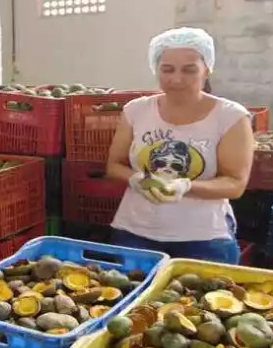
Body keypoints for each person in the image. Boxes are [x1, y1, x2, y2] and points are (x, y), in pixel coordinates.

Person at [106, 27, 253, 265]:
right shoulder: (136, 110)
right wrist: (137, 180)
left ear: (207, 69)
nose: (176, 79)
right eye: (167, 69)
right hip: (134, 233)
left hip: (203, 239)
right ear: (156, 69)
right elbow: (114, 165)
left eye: (189, 69)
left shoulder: (230, 117)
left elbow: (235, 184)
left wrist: (186, 186)